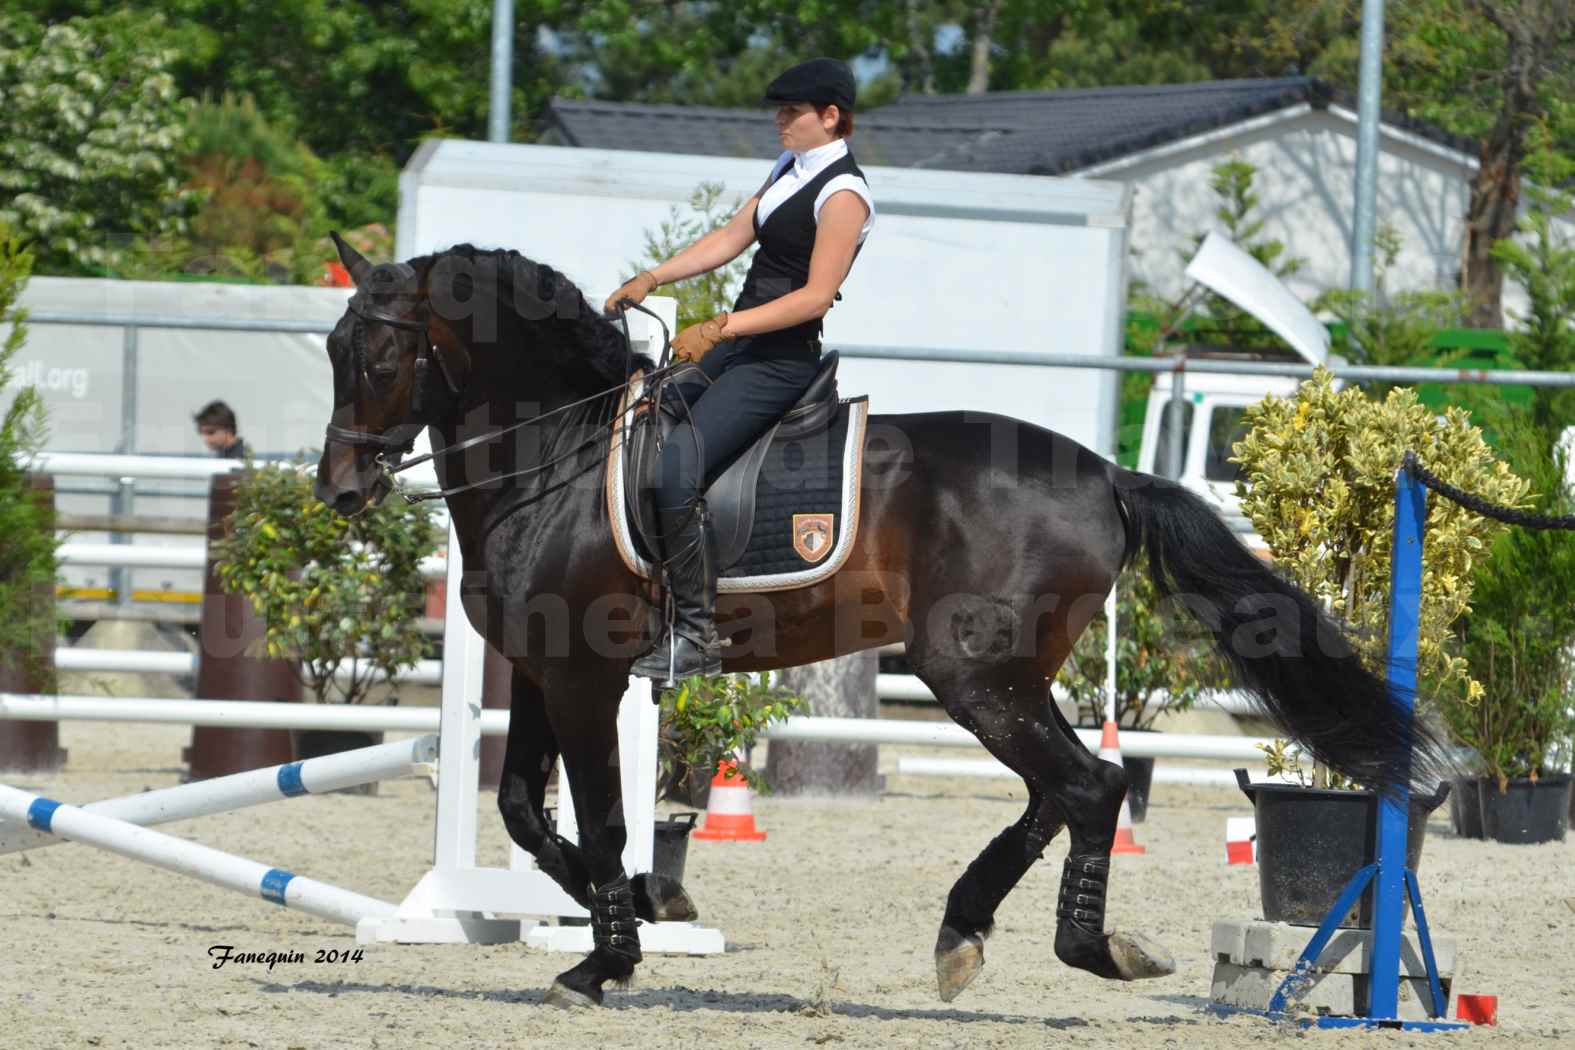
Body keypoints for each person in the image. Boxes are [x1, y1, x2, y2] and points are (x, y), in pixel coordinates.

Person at [604, 57, 875, 681]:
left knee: (676, 471)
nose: (780, 121)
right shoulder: (790, 168)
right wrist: (653, 277)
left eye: (792, 111)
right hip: (740, 348)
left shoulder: (844, 194)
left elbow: (813, 295)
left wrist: (720, 326)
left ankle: (695, 635)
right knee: (638, 422)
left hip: (779, 361)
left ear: (830, 117)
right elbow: (730, 236)